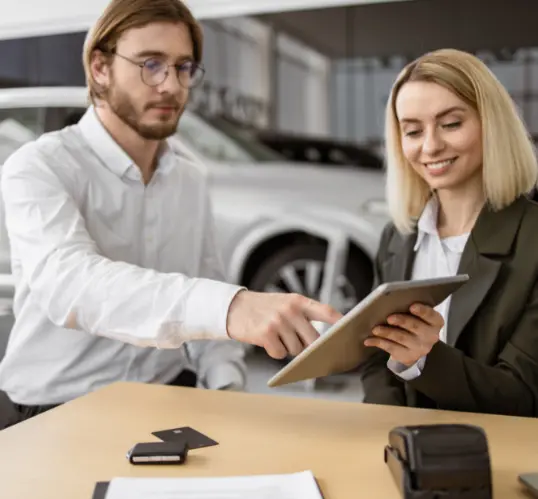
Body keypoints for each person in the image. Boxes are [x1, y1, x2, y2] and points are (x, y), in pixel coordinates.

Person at [0, 0, 341, 427]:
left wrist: (227, 389)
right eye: (150, 64)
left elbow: (210, 288)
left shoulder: (189, 179)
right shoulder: (38, 166)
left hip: (167, 400)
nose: (171, 86)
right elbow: (70, 284)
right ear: (100, 68)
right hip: (58, 408)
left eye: (183, 67)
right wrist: (231, 308)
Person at [361, 48, 538, 417]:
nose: (430, 146)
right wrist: (386, 433)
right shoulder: (396, 238)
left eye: (451, 124)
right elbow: (377, 364)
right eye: (412, 130)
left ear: (492, 123)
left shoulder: (532, 238)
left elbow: (524, 396)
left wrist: (426, 359)